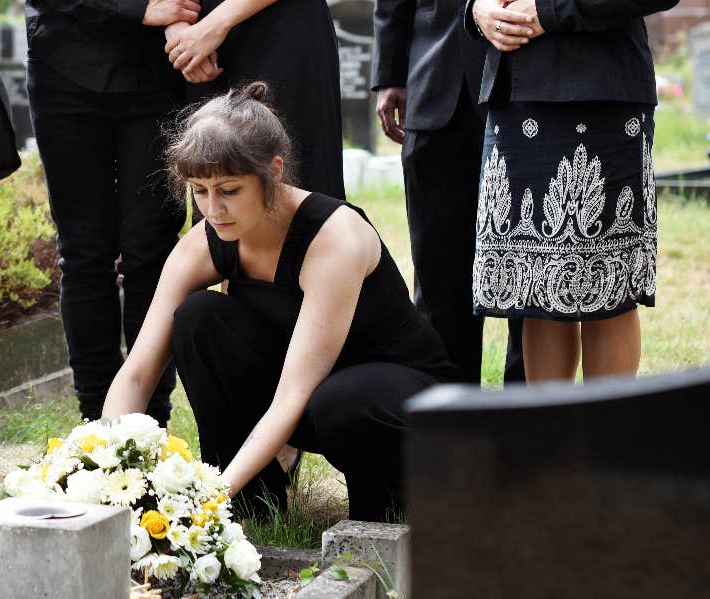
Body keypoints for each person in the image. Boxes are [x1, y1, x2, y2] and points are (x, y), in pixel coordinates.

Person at [103, 84, 459, 522]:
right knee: (199, 318)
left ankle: (392, 513)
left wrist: (204, 501)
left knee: (341, 399)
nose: (213, 209)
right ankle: (251, 509)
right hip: (313, 399)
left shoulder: (335, 238)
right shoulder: (203, 243)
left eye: (229, 190)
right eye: (199, 190)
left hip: (396, 406)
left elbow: (294, 394)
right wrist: (102, 468)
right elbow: (138, 371)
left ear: (273, 172)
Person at [466, 0, 674, 381]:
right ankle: (550, 437)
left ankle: (605, 437)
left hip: (603, 90)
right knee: (534, 286)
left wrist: (550, 10)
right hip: (515, 92)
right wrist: (477, 9)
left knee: (609, 287)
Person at [25, 0, 198, 426]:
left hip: (158, 70)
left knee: (150, 252)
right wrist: (137, 8)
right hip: (64, 63)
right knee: (84, 253)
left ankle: (150, 423)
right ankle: (96, 425)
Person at [372, 0, 525, 383]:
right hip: (435, 80)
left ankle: (526, 415)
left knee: (530, 271)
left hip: (528, 82)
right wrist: (390, 72)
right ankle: (452, 420)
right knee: (438, 274)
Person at [161, 0, 345, 199]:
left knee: (297, 180)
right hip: (197, 39)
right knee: (211, 176)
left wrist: (214, 25)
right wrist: (175, 22)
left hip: (279, 27)